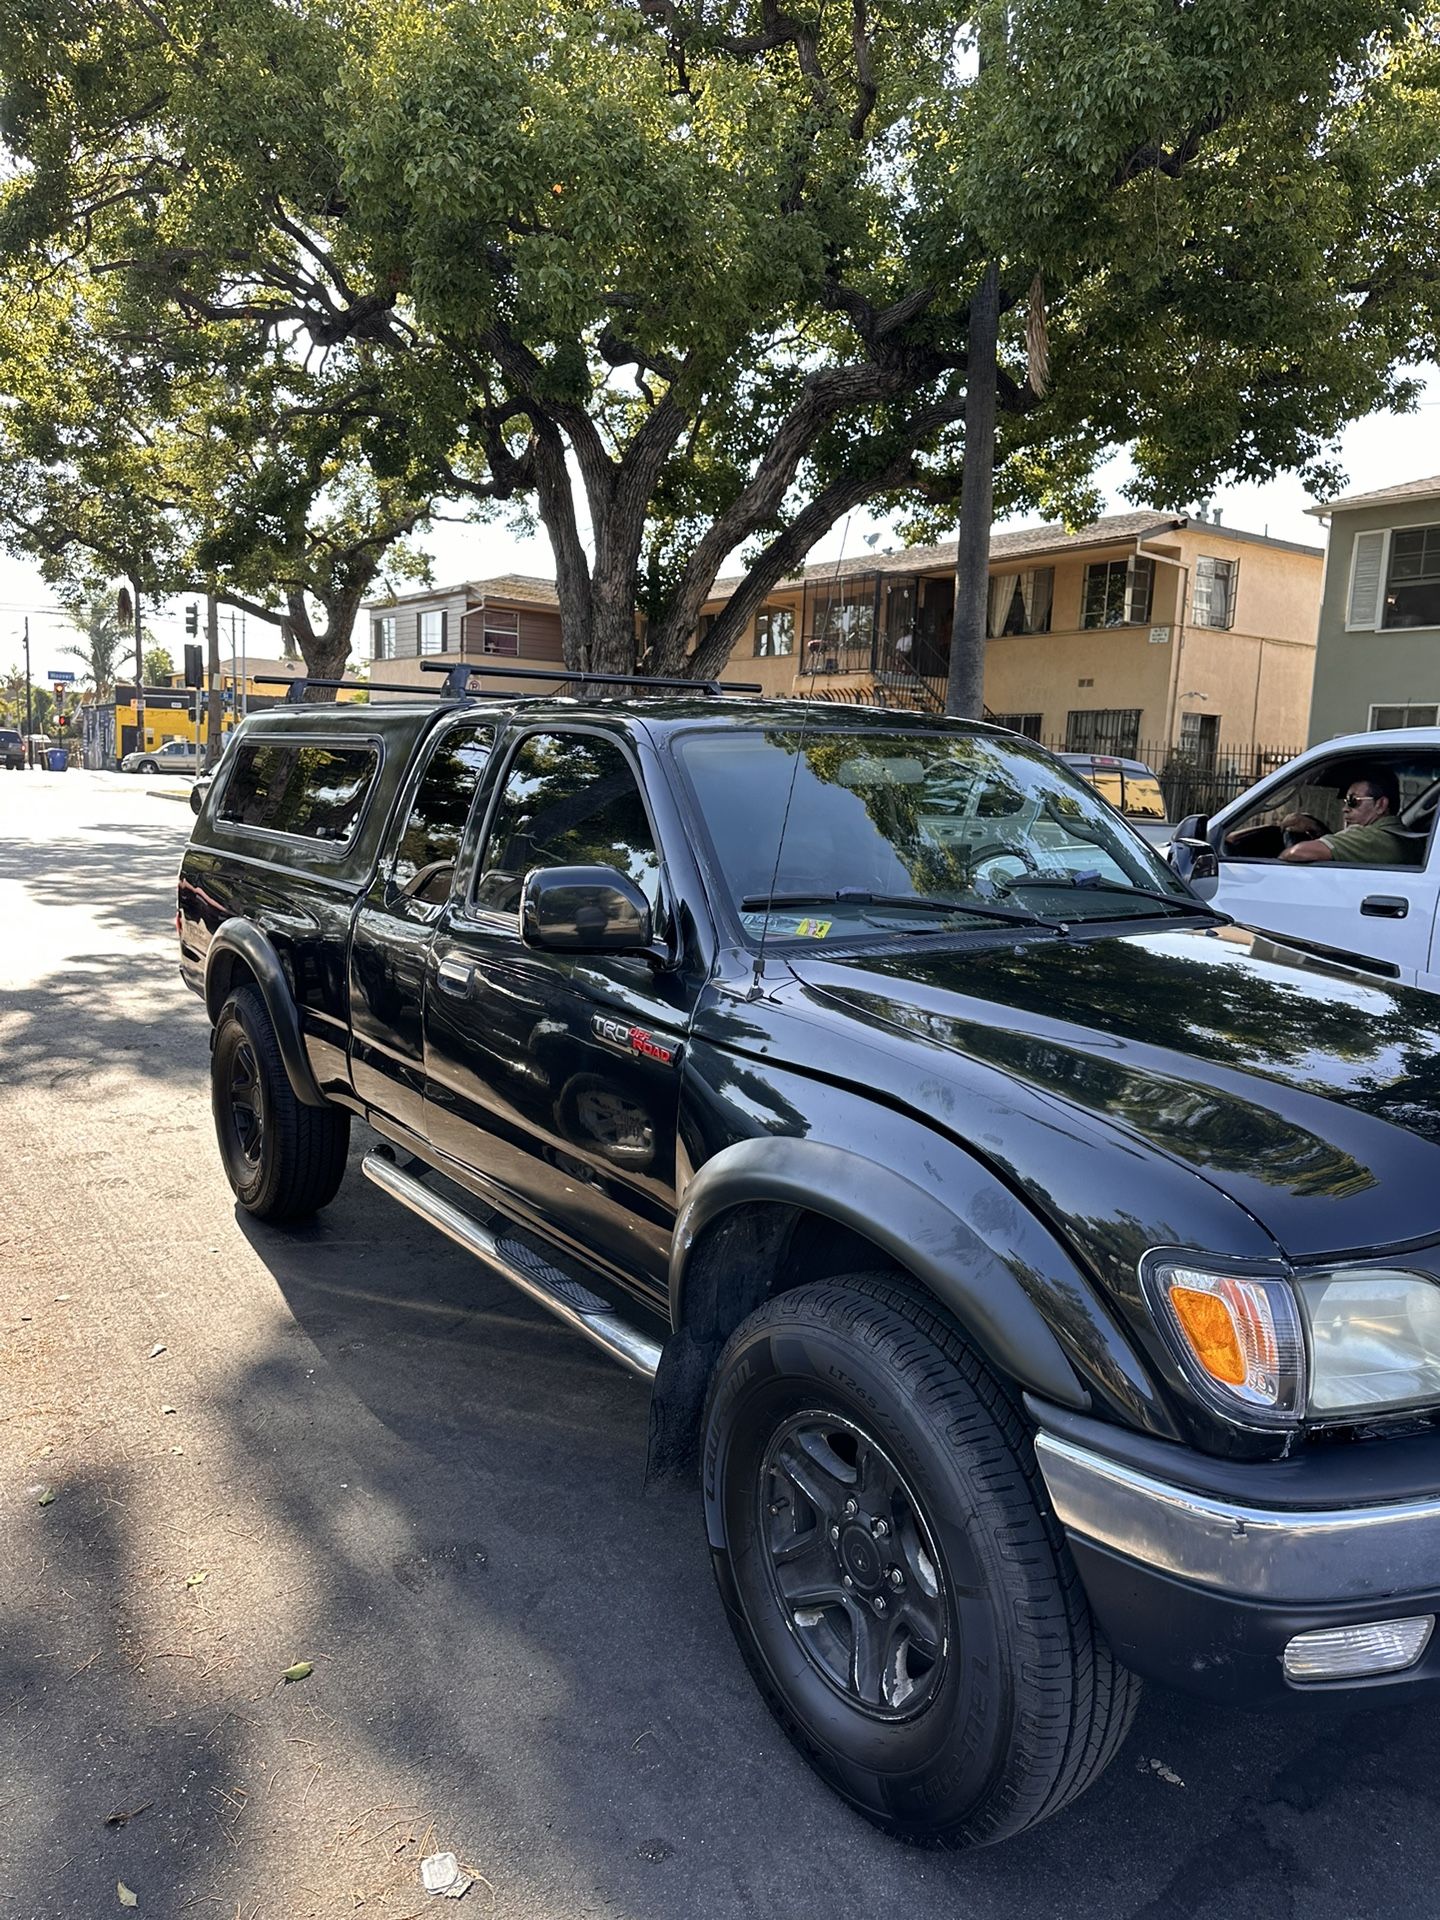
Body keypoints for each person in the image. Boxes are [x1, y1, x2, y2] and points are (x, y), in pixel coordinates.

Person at [1279, 767, 1417, 865]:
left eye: (1353, 801)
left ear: (1380, 805)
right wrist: (1316, 828)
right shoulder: (1404, 837)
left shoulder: (1371, 838)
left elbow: (1295, 853)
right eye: (1346, 802)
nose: (1345, 809)